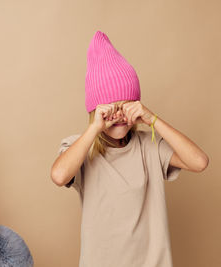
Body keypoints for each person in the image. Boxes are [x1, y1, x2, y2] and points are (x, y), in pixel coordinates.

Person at [51, 31, 209, 267]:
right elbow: (59, 175)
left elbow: (199, 162)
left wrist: (152, 119)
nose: (120, 116)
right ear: (96, 112)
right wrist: (94, 129)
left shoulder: (149, 146)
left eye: (127, 106)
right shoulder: (82, 146)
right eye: (111, 109)